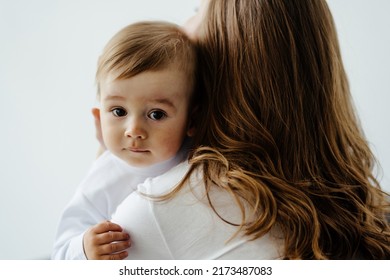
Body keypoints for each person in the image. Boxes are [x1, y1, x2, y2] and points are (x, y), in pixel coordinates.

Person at [108, 0, 390, 259]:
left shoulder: (149, 217)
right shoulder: (371, 214)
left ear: (224, 54)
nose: (182, 25)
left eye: (197, 10)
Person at [51, 21, 197, 260]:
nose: (134, 130)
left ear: (192, 121)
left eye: (156, 114)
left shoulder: (199, 157)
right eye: (119, 112)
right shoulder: (102, 181)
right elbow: (60, 255)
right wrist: (85, 249)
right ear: (99, 119)